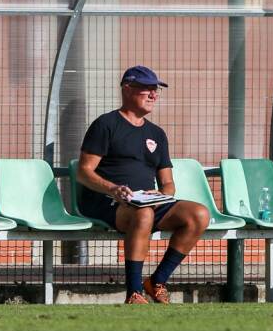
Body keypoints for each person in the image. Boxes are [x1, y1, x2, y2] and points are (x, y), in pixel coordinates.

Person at [76, 66, 210, 304]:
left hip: (146, 202)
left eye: (156, 90)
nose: (153, 95)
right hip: (108, 201)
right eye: (147, 89)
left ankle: (157, 281)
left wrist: (160, 194)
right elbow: (84, 172)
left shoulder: (156, 133)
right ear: (128, 89)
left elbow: (168, 183)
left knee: (199, 214)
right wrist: (113, 189)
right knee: (144, 214)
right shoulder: (105, 124)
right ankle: (134, 292)